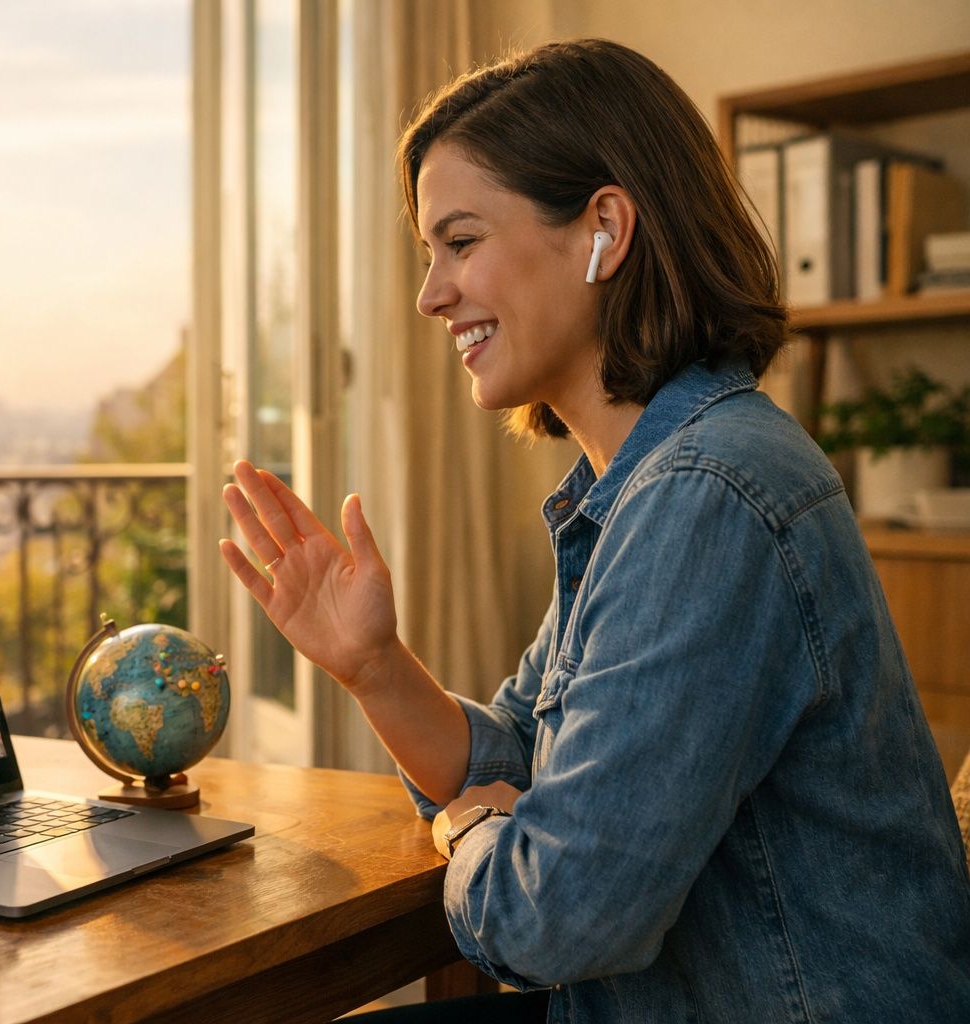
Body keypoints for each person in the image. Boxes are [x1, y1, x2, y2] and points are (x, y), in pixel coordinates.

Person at [214, 39, 970, 1023]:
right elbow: (525, 752)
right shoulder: (639, 483)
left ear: (603, 228)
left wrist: (469, 831)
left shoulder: (707, 496)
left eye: (462, 240)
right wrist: (375, 666)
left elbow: (558, 917)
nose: (429, 294)